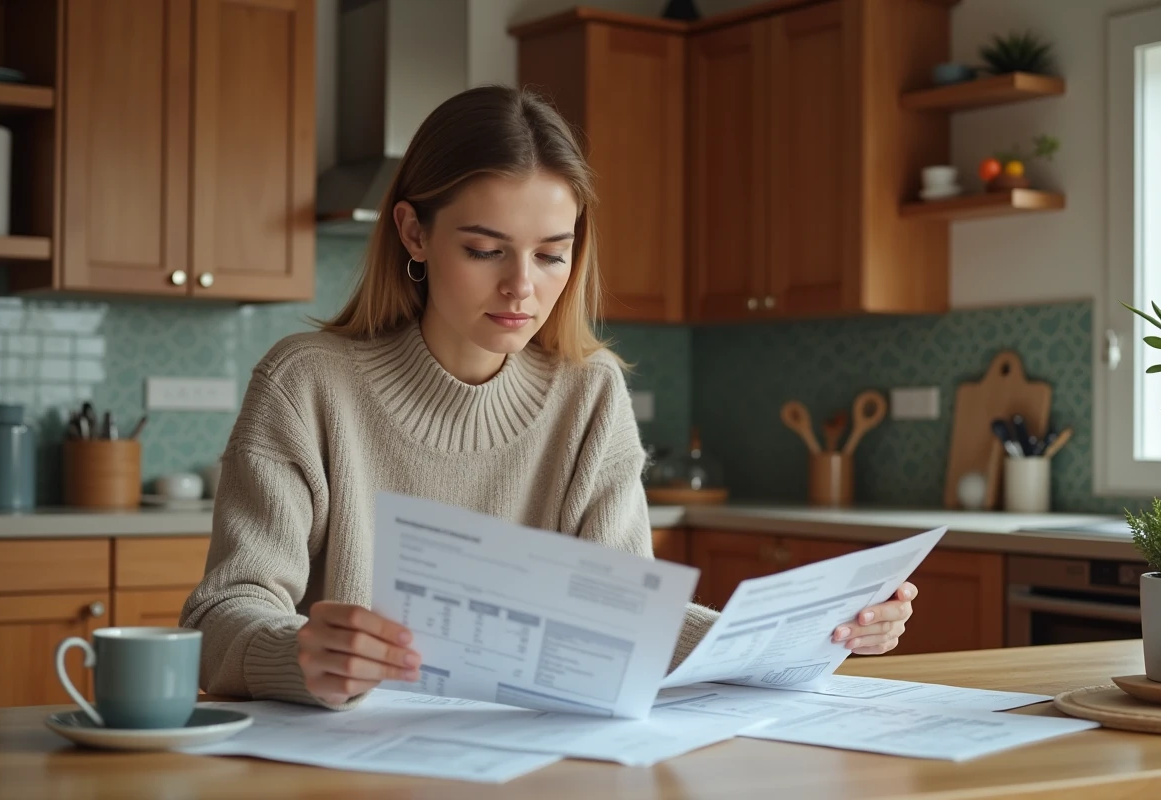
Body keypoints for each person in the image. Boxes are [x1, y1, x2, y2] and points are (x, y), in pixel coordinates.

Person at [180, 85, 918, 709]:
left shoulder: (588, 395)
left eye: (551, 254)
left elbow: (625, 616)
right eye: (484, 248)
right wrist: (297, 653)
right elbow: (218, 616)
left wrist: (816, 632)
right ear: (412, 232)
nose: (521, 287)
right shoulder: (307, 384)